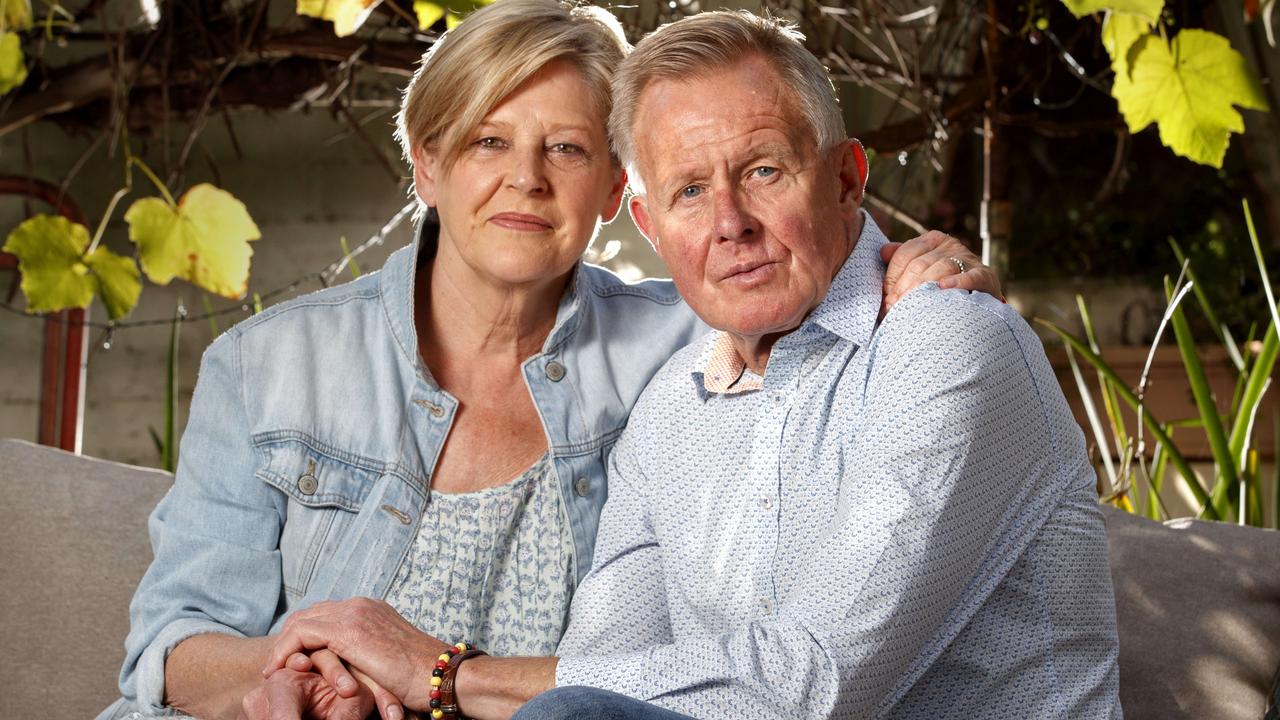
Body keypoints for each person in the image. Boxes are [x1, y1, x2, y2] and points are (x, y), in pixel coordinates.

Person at [97, 2, 997, 719]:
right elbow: (170, 646)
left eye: (566, 148)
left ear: (616, 192)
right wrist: (300, 677)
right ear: (428, 164)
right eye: (490, 140)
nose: (525, 177)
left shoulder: (681, 349)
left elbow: (798, 291)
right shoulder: (268, 366)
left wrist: (904, 269)